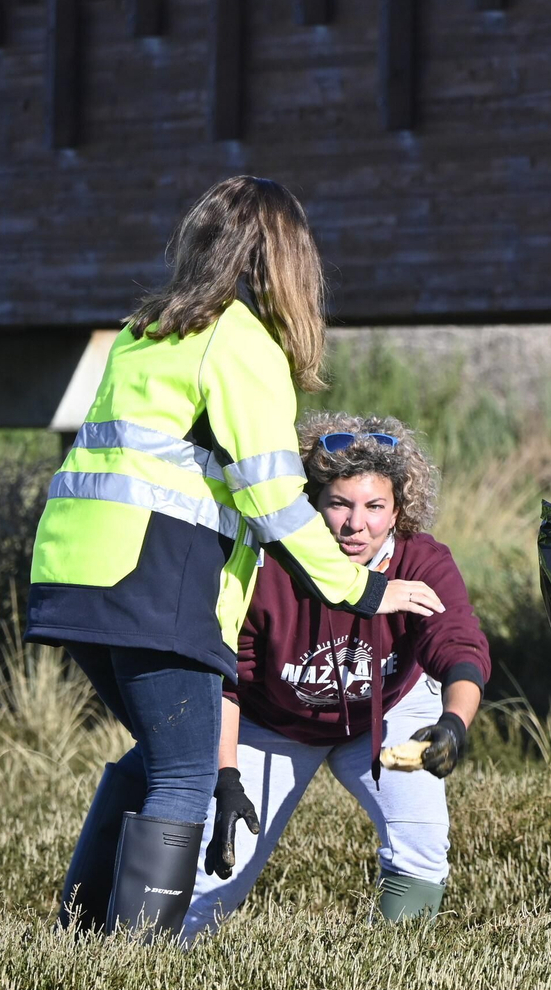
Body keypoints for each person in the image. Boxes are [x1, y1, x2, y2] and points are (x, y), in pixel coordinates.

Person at [28, 177, 443, 938]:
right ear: (284, 263)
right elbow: (276, 500)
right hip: (153, 578)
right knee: (183, 774)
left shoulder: (145, 329)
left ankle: (77, 939)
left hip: (77, 574)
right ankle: (133, 963)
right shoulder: (240, 340)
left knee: (154, 759)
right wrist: (362, 590)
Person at [183, 412, 491, 938]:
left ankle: (387, 975)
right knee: (216, 877)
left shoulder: (421, 559)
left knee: (422, 842)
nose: (356, 524)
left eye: (375, 507)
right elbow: (227, 676)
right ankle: (153, 968)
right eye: (339, 504)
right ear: (309, 503)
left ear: (398, 512)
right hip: (272, 722)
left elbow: (458, 644)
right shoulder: (269, 565)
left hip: (388, 713)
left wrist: (453, 725)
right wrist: (227, 777)